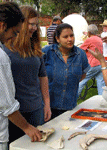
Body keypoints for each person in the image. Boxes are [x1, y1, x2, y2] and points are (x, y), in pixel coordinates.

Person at [4, 6, 51, 143]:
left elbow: (43, 76)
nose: (34, 28)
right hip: (13, 113)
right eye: (31, 24)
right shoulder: (5, 49)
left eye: (36, 24)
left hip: (35, 109)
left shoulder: (35, 47)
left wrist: (46, 103)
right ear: (21, 24)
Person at [42, 23, 90, 119]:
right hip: (48, 108)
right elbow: (38, 76)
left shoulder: (80, 54)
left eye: (71, 35)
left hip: (70, 107)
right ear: (57, 39)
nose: (70, 39)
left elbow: (83, 74)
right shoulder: (46, 52)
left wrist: (68, 80)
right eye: (65, 37)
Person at [78, 24, 105, 96]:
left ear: (89, 32)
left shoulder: (90, 40)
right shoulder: (99, 39)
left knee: (82, 80)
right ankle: (101, 99)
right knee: (101, 83)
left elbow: (80, 50)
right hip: (100, 64)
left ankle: (74, 98)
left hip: (92, 64)